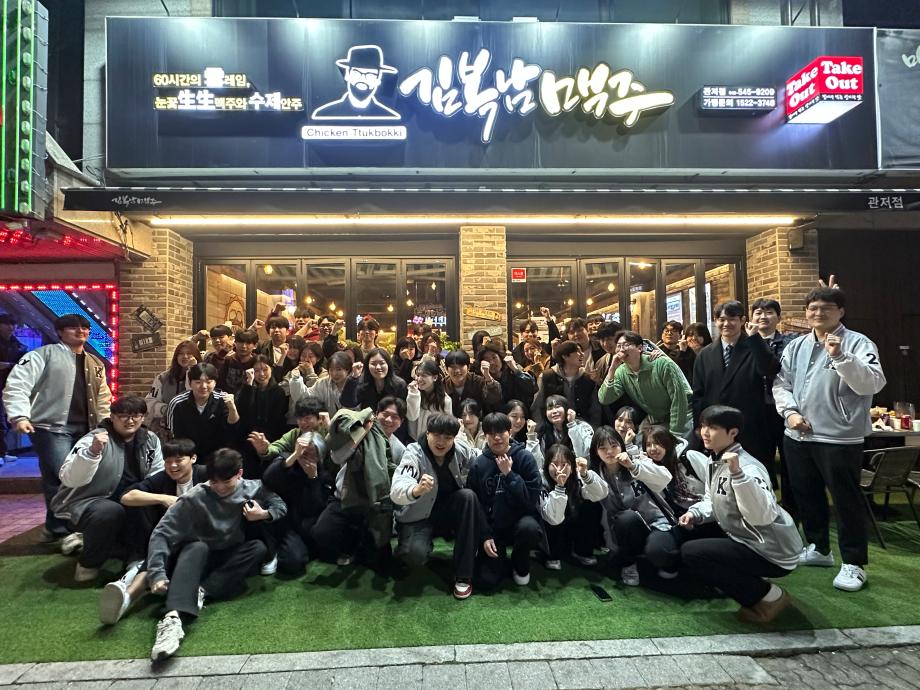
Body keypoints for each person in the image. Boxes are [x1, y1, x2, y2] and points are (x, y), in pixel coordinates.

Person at [773, 286, 885, 592]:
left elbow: (872, 383)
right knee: (806, 494)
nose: (818, 313)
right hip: (798, 434)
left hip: (839, 438)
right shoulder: (797, 345)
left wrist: (841, 356)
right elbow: (781, 383)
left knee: (846, 500)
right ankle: (819, 548)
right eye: (813, 308)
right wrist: (790, 413)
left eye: (826, 308)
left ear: (841, 312)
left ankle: (854, 563)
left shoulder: (858, 343)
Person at [146, 448, 287, 661]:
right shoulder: (195, 496)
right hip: (196, 556)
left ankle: (201, 591)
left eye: (226, 482)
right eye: (214, 482)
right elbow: (161, 533)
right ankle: (171, 619)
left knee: (257, 548)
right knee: (196, 547)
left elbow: (280, 505)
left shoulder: (253, 487)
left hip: (228, 554)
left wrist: (264, 514)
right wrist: (156, 573)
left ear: (239, 474)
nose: (219, 487)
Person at [679, 405, 802, 622]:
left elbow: (761, 516)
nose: (705, 432)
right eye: (703, 426)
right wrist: (695, 513)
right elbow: (711, 499)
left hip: (773, 549)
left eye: (712, 428)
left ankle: (770, 596)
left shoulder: (748, 467)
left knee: (694, 553)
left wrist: (738, 475)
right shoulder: (714, 460)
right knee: (689, 537)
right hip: (745, 538)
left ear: (733, 432)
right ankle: (744, 583)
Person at [4, 314, 112, 540]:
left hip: (87, 428)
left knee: (70, 477)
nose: (81, 331)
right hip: (51, 428)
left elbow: (103, 397)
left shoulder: (95, 362)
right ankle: (65, 529)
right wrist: (19, 416)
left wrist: (105, 425)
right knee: (64, 477)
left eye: (85, 328)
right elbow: (17, 385)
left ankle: (56, 528)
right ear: (60, 332)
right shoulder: (42, 355)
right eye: (73, 328)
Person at [49, 395, 163, 582]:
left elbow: (156, 474)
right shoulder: (94, 439)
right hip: (89, 503)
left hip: (129, 499)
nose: (130, 421)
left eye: (136, 415)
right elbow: (69, 478)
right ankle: (88, 564)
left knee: (144, 502)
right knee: (110, 511)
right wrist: (92, 453)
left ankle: (135, 557)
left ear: (143, 417)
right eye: (123, 415)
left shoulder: (150, 440)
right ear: (112, 417)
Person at [99, 438, 207, 625]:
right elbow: (127, 496)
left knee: (162, 553)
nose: (172, 466)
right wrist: (163, 498)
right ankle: (125, 597)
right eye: (168, 461)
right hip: (171, 539)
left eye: (179, 460)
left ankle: (127, 590)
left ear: (193, 458)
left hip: (204, 539)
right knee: (159, 548)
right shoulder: (163, 478)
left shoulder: (206, 475)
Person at [390, 413, 482, 598]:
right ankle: (406, 546)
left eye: (448, 437)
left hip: (448, 513)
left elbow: (481, 458)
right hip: (419, 516)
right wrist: (416, 489)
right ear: (428, 433)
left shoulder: (460, 449)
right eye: (437, 435)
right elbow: (397, 488)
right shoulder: (414, 452)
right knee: (414, 555)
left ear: (454, 438)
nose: (441, 442)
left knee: (468, 497)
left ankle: (463, 575)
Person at [691, 301, 780, 473]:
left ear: (742, 320)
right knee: (721, 475)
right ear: (715, 321)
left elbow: (770, 369)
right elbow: (698, 395)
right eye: (721, 319)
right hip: (716, 428)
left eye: (732, 319)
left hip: (750, 426)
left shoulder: (755, 345)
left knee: (754, 473)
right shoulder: (705, 353)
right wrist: (700, 427)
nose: (726, 324)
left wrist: (755, 339)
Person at [309, 404, 399, 570]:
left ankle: (363, 544)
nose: (388, 420)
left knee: (379, 560)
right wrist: (361, 433)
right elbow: (337, 457)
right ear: (375, 415)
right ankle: (350, 545)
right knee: (321, 533)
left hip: (374, 504)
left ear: (402, 422)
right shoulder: (358, 430)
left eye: (395, 417)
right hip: (344, 498)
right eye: (385, 414)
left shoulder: (398, 448)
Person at [466, 412, 545, 589]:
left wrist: (509, 474)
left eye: (501, 432)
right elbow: (475, 505)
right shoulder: (479, 464)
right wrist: (485, 535)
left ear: (509, 432)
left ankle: (520, 561)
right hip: (494, 527)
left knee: (529, 528)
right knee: (486, 582)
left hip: (521, 522)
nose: (497, 438)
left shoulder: (525, 457)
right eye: (491, 433)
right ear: (485, 436)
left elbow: (530, 500)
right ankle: (498, 558)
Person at [588, 426, 673, 586]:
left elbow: (665, 478)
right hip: (625, 529)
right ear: (595, 451)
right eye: (602, 448)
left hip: (657, 523)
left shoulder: (637, 461)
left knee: (659, 552)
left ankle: (666, 560)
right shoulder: (595, 475)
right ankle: (629, 563)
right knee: (626, 518)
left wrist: (632, 466)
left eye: (614, 445)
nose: (609, 452)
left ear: (621, 446)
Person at [260, 424, 332, 576]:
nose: (307, 459)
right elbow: (267, 479)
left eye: (313, 455)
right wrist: (294, 456)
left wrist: (313, 479)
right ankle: (271, 550)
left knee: (295, 561)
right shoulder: (286, 460)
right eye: (304, 454)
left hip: (300, 525)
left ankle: (279, 549)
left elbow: (314, 509)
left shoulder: (323, 475)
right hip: (278, 519)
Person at [751, 297, 799, 519]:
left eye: (769, 312)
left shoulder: (790, 342)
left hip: (784, 411)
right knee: (760, 461)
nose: (763, 317)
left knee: (789, 462)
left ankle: (791, 510)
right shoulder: (745, 344)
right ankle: (764, 508)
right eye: (758, 313)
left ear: (778, 317)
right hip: (756, 411)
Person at [597, 330, 693, 438]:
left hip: (684, 414)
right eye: (618, 346)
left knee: (675, 446)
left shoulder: (662, 364)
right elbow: (604, 399)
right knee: (639, 441)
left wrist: (675, 434)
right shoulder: (621, 372)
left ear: (640, 348)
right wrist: (612, 370)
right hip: (657, 416)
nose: (621, 349)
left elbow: (679, 400)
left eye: (626, 345)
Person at [539, 443, 607, 571]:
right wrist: (560, 486)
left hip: (573, 525)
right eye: (554, 464)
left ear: (572, 466)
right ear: (547, 465)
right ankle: (552, 555)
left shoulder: (579, 476)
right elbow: (552, 518)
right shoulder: (541, 480)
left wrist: (586, 475)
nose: (560, 469)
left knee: (592, 505)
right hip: (551, 530)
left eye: (565, 464)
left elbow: (601, 494)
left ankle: (582, 551)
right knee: (552, 512)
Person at [166, 363, 240, 462]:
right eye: (198, 382)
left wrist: (232, 408)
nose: (203, 386)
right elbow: (174, 435)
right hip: (188, 457)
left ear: (215, 383)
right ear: (190, 383)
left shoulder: (223, 399)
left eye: (208, 382)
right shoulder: (177, 403)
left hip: (218, 457)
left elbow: (232, 426)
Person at [235, 355, 289, 477]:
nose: (261, 374)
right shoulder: (246, 388)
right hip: (249, 434)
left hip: (271, 435)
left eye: (265, 369)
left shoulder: (279, 391)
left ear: (271, 369)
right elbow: (242, 412)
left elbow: (277, 419)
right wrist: (249, 385)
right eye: (257, 370)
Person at [530, 340, 599, 425]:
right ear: (565, 356)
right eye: (578, 352)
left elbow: (595, 409)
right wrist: (541, 428)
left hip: (582, 428)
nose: (582, 354)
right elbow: (537, 406)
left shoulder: (587, 378)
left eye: (582, 351)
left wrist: (593, 429)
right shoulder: (547, 376)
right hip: (553, 428)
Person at [145, 342, 200, 438]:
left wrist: (192, 370)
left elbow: (194, 397)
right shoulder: (163, 377)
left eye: (189, 353)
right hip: (165, 428)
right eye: (181, 353)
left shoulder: (203, 378)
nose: (185, 356)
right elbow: (150, 401)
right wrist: (167, 409)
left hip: (193, 427)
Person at [527, 394, 594, 465]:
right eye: (550, 408)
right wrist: (531, 436)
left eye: (557, 407)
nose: (554, 411)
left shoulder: (583, 427)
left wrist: (572, 425)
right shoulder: (543, 432)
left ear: (567, 409)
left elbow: (582, 454)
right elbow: (538, 463)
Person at [289, 350, 355, 418]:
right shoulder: (323, 383)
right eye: (331, 370)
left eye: (339, 369)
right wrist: (296, 380)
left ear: (347, 369)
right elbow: (307, 398)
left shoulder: (355, 384)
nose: (334, 373)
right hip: (329, 423)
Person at [475, 341, 537, 412]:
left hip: (520, 412)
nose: (491, 362)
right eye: (487, 360)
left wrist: (515, 369)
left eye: (494, 357)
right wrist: (488, 377)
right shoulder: (481, 379)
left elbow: (531, 387)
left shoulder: (512, 368)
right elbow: (491, 401)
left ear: (500, 357)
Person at [343, 348, 408, 413]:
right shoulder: (362, 383)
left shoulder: (400, 384)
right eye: (373, 364)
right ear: (367, 366)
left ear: (388, 364)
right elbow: (348, 403)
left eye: (382, 363)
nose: (378, 367)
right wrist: (354, 377)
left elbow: (402, 410)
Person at [443, 349, 502, 418]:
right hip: (451, 422)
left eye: (461, 366)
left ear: (468, 367)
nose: (457, 370)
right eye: (453, 367)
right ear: (446, 369)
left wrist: (487, 377)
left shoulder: (478, 381)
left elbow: (494, 399)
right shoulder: (442, 385)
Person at [0, 314, 27, 464]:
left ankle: (3, 452)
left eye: (13, 324)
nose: (10, 327)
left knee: (6, 421)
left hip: (10, 386)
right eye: (6, 324)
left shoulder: (18, 345)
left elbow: (23, 364)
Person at [407, 359, 452, 441]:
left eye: (424, 375)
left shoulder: (445, 400)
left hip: (434, 441)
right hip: (412, 441)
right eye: (418, 375)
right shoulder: (413, 393)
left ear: (435, 377)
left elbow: (447, 426)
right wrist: (413, 394)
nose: (419, 379)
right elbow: (412, 417)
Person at [218, 329, 259, 396]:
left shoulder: (258, 362)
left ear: (255, 345)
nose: (243, 346)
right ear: (235, 343)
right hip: (227, 399)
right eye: (240, 342)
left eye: (248, 343)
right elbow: (219, 384)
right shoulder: (228, 361)